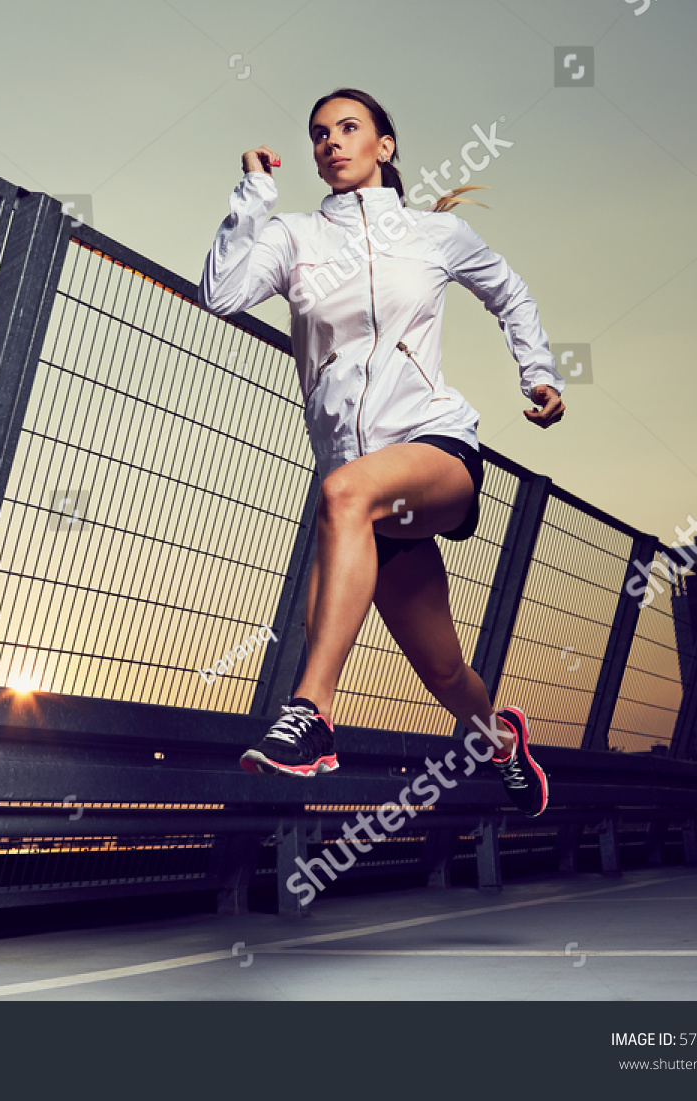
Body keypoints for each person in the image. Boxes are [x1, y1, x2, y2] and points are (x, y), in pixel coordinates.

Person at [197, 88, 563, 817]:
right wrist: (253, 193)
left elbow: (510, 293)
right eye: (319, 134)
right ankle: (502, 740)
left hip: (435, 449)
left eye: (349, 128)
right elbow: (221, 294)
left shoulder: (432, 235)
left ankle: (312, 717)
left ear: (384, 146)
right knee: (446, 670)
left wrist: (541, 372)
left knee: (343, 496)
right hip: (361, 500)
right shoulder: (294, 237)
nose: (331, 142)